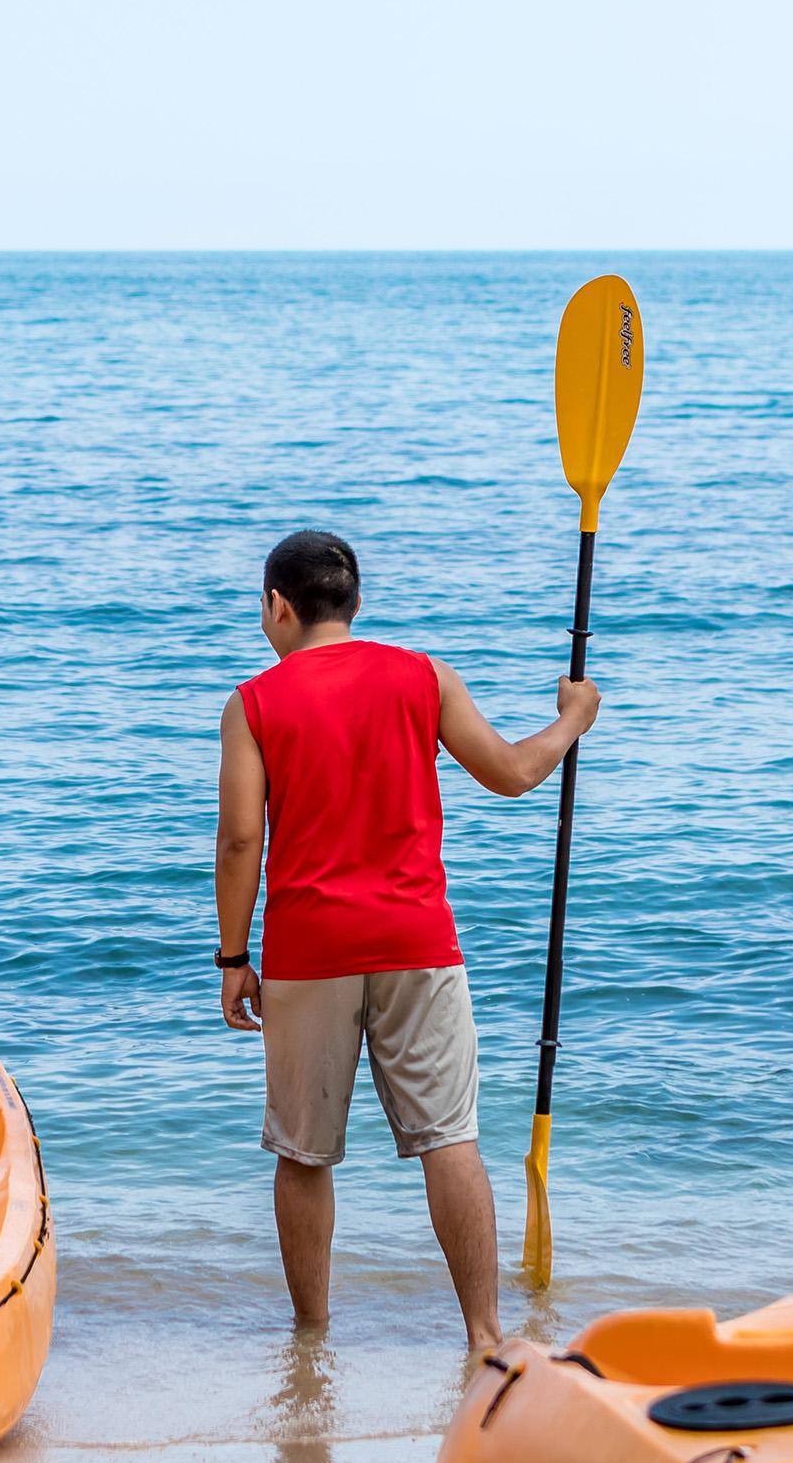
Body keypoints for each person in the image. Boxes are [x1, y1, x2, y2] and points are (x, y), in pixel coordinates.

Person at [214, 528, 599, 1358]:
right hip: (419, 942)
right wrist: (571, 719)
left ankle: (312, 1336)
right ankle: (486, 1335)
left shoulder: (254, 702)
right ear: (354, 602)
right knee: (449, 1140)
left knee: (304, 1153)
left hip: (310, 953)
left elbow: (242, 839)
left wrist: (234, 955)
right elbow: (509, 771)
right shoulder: (424, 675)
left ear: (279, 606)